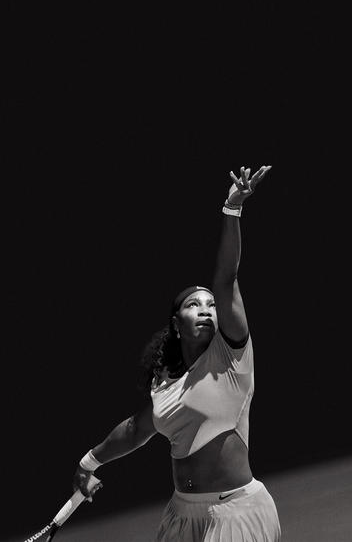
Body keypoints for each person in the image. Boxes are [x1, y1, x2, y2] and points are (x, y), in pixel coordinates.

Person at [71, 165, 281, 541]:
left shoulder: (231, 355)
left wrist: (232, 210)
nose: (205, 309)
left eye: (211, 305)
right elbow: (138, 429)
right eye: (193, 305)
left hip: (236, 512)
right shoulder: (165, 382)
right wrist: (89, 462)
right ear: (176, 322)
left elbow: (225, 278)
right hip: (182, 515)